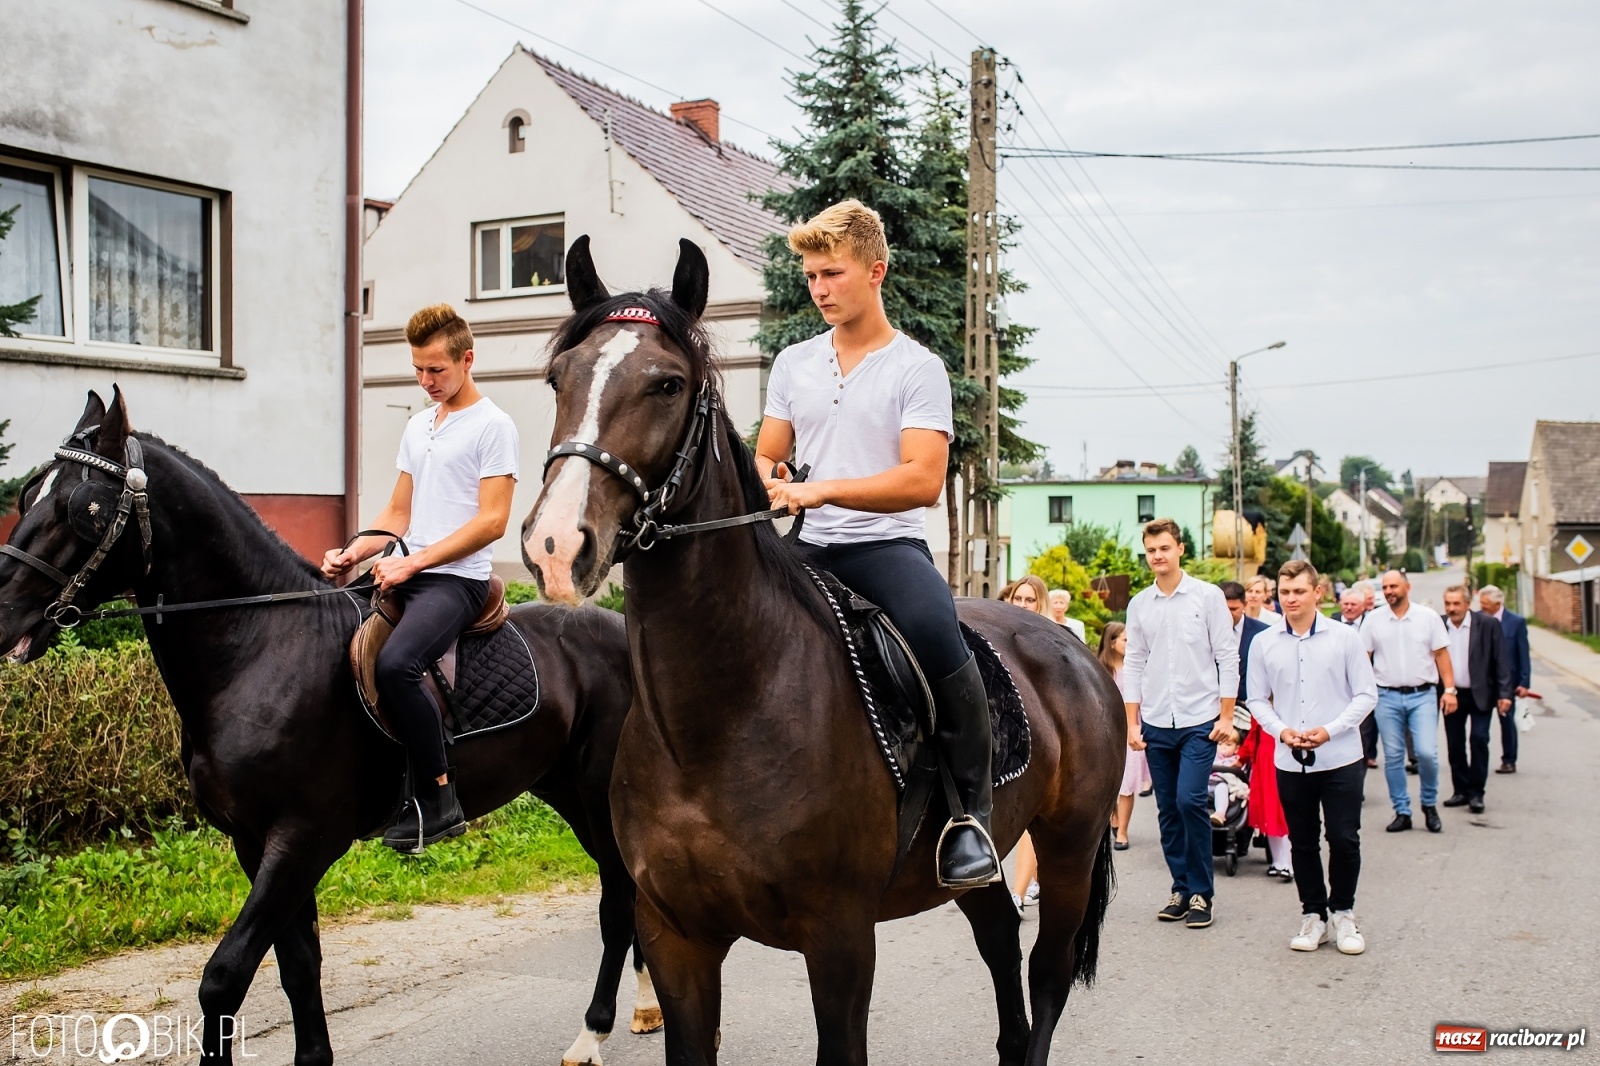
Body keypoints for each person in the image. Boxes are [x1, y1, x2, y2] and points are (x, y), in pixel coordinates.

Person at [755, 199, 999, 888]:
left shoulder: (916, 369)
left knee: (938, 636)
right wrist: (770, 477)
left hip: (884, 547)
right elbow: (767, 455)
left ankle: (969, 817)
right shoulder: (794, 363)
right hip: (806, 545)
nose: (820, 289)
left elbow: (921, 481)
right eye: (810, 277)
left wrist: (819, 490)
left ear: (875, 270)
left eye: (832, 273)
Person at [322, 304, 520, 852]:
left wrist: (414, 561)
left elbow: (492, 521)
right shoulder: (418, 426)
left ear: (467, 359)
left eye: (436, 369)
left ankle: (439, 796)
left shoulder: (493, 426)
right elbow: (398, 514)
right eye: (418, 370)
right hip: (405, 570)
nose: (426, 381)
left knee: (396, 664)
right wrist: (354, 550)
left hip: (456, 581)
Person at [1246, 560, 1377, 955]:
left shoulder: (1344, 638)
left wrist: (1330, 729)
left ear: (1317, 593)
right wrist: (1281, 731)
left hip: (1341, 756)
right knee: (1302, 842)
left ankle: (1344, 913)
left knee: (1343, 838)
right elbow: (1255, 698)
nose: (1291, 599)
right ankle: (1313, 914)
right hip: (1290, 759)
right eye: (1284, 592)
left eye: (1299, 591)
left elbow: (1366, 695)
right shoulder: (1264, 642)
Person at [1123, 518, 1239, 929]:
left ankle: (1201, 894)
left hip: (1198, 720)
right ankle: (1180, 888)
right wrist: (1132, 723)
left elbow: (1227, 656)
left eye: (1164, 548)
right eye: (1151, 550)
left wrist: (1226, 716)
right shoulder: (1139, 605)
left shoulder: (1207, 598)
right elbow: (1134, 662)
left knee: (1191, 800)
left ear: (1180, 549)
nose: (1157, 556)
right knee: (1168, 809)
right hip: (1156, 720)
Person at [1361, 570, 1456, 834]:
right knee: (1393, 757)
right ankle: (1402, 810)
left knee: (1427, 753)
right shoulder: (1373, 620)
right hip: (1386, 696)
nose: (1389, 590)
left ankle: (1428, 803)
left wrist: (1449, 690)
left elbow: (1441, 654)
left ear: (1407, 587)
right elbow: (1362, 657)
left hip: (1422, 695)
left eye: (1394, 586)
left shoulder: (1428, 618)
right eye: (1386, 587)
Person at [1221, 581, 1292, 879]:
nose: (1228, 615)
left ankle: (1266, 840)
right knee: (1225, 766)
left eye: (1233, 609)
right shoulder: (1205, 631)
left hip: (1256, 705)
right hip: (1220, 708)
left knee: (1260, 782)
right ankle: (1238, 831)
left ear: (1242, 605)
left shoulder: (1261, 632)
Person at [998, 574, 1049, 908]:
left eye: (1030, 600)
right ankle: (1033, 882)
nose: (1023, 605)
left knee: (1035, 824)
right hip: (1008, 737)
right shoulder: (998, 639)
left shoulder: (1053, 640)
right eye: (1018, 599)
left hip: (1042, 738)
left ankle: (1017, 892)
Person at [1440, 585, 1513, 814]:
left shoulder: (1488, 624)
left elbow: (1501, 661)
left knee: (1479, 740)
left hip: (1481, 693)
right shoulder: (1439, 625)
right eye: (1448, 604)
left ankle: (1476, 793)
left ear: (1467, 604)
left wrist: (1504, 694)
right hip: (1452, 694)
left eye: (1456, 603)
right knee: (1455, 744)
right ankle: (1461, 790)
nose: (1452, 609)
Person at [1100, 622, 1146, 852]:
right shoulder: (1100, 670)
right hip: (1105, 733)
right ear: (1112, 642)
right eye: (1125, 640)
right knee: (1107, 781)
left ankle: (1123, 831)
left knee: (1127, 785)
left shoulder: (1136, 669)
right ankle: (1113, 816)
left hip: (1130, 730)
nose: (1129, 644)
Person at [1479, 585, 1531, 774]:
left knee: (1507, 722)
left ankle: (1509, 760)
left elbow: (1522, 653)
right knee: (1480, 726)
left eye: (1486, 604)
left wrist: (1524, 682)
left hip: (1506, 682)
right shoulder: (1477, 619)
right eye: (1481, 604)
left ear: (1498, 603)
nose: (1482, 608)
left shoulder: (1516, 622)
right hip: (1483, 682)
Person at [1336, 589, 1380, 768]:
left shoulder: (1372, 624)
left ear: (1362, 607)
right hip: (1335, 688)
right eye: (1345, 604)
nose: (1349, 608)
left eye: (1353, 604)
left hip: (1361, 688)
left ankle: (1357, 784)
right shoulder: (1329, 622)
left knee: (1362, 735)